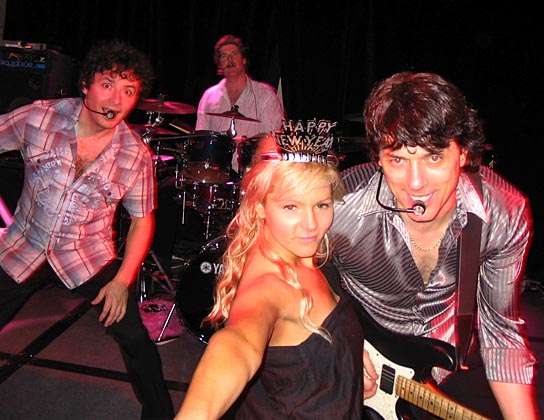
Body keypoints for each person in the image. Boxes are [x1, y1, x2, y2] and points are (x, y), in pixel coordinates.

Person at [326, 72, 539, 419]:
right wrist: (336, 339)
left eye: (433, 157)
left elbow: (502, 336)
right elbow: (282, 271)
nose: (415, 183)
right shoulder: (342, 205)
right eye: (398, 159)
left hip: (440, 371)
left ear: (464, 152)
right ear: (378, 158)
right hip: (347, 356)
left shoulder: (503, 213)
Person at [0, 39, 175, 419]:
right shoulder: (39, 118)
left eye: (128, 90)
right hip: (24, 245)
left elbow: (143, 219)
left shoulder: (135, 155)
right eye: (108, 84)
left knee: (135, 339)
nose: (116, 99)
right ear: (85, 85)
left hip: (86, 256)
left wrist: (123, 281)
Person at [174, 120, 364, 419]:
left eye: (321, 205)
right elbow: (239, 343)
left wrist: (349, 360)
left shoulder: (305, 254)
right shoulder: (268, 286)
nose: (311, 225)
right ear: (260, 206)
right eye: (291, 207)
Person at [195, 34, 285, 175]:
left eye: (234, 54)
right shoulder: (209, 97)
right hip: (217, 174)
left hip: (254, 172)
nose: (229, 60)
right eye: (224, 56)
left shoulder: (265, 96)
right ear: (219, 64)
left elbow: (272, 140)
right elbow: (202, 138)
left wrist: (243, 145)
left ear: (244, 59)